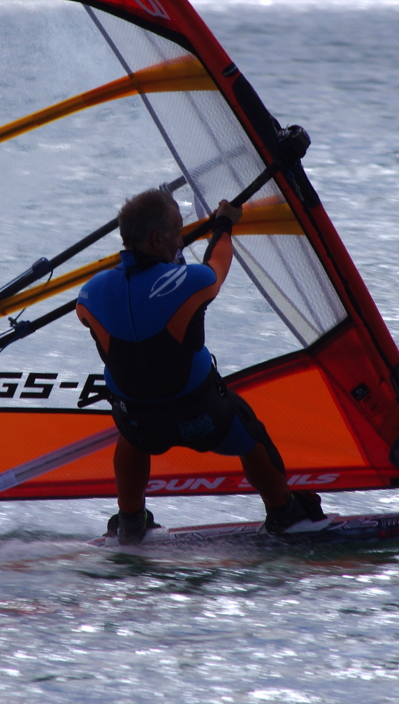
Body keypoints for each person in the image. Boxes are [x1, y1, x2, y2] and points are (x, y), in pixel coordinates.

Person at [76, 187, 329, 543]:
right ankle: (284, 513)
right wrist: (224, 224)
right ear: (157, 238)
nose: (181, 239)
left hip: (139, 422)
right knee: (250, 433)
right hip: (200, 417)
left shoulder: (88, 293)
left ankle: (131, 520)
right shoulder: (191, 281)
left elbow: (133, 304)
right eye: (177, 232)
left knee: (131, 435)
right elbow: (217, 265)